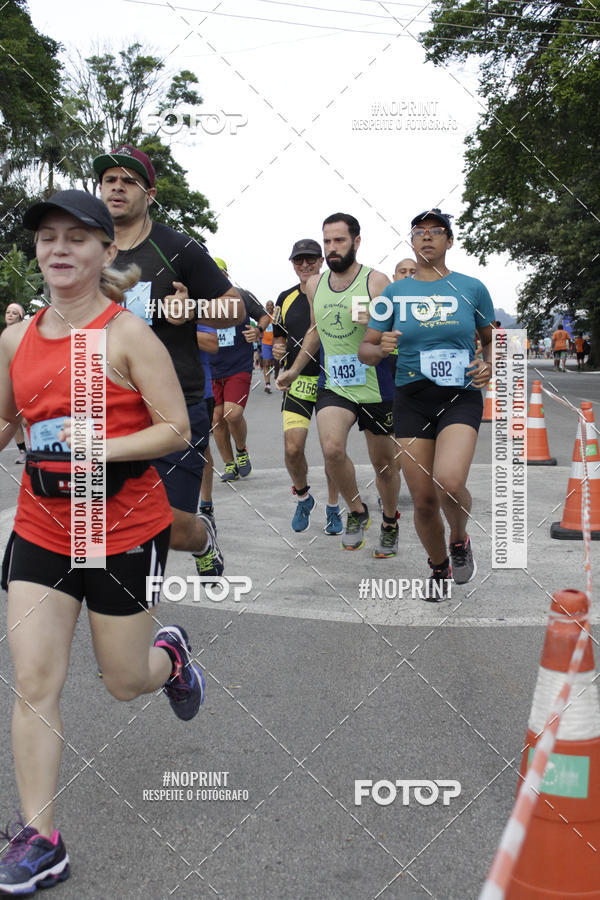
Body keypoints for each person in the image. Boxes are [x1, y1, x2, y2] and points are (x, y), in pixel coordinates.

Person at [0, 190, 205, 896]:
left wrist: (99, 445)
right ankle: (40, 839)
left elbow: (175, 429)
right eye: (47, 238)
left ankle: (168, 658)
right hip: (40, 527)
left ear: (105, 252)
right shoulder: (13, 339)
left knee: (123, 682)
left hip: (118, 527)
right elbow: (7, 422)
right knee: (33, 681)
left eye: (76, 239)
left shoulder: (127, 335)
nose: (59, 249)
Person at [94, 145, 243, 579]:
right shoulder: (88, 248)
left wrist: (194, 308)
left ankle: (201, 536)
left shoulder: (178, 247)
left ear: (150, 193)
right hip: (106, 406)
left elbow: (235, 308)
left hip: (174, 405)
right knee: (108, 521)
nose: (117, 186)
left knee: (170, 524)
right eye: (109, 179)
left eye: (129, 180)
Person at [358, 208, 494, 596]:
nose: (427, 237)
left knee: (449, 483)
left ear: (449, 241)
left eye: (437, 232)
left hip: (460, 395)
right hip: (412, 398)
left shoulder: (472, 288)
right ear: (412, 242)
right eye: (419, 232)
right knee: (423, 499)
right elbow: (365, 348)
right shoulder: (395, 294)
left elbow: (491, 339)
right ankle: (438, 567)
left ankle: (460, 540)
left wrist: (488, 364)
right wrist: (378, 347)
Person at [276, 214, 400, 557]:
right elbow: (315, 332)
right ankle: (357, 511)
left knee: (385, 466)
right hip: (337, 384)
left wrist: (377, 329)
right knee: (331, 449)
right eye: (327, 241)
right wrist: (295, 370)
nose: (332, 248)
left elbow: (392, 333)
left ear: (356, 242)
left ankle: (390, 521)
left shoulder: (377, 282)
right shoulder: (316, 285)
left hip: (376, 384)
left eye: (339, 241)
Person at [273, 238, 342, 534]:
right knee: (292, 449)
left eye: (311, 259)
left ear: (322, 261)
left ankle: (333, 507)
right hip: (298, 381)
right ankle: (303, 497)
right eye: (298, 260)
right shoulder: (285, 297)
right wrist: (278, 348)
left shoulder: (335, 291)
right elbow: (278, 335)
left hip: (331, 380)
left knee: (332, 451)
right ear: (291, 263)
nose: (305, 265)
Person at [208, 258, 268, 481]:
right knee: (216, 418)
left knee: (232, 414)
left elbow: (264, 315)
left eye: (219, 272)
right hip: (212, 367)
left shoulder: (241, 295)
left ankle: (241, 451)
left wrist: (259, 330)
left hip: (238, 365)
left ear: (226, 274)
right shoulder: (200, 300)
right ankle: (229, 464)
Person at [196, 323, 219, 520]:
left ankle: (206, 505)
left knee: (201, 449)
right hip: (151, 388)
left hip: (198, 391)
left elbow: (212, 343)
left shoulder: (194, 301)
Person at [3, 303, 27, 463]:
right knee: (13, 418)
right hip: (8, 381)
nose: (10, 315)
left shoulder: (25, 333)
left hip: (24, 379)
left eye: (14, 313)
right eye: (8, 312)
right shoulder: (3, 336)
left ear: (20, 317)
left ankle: (44, 448)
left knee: (26, 418)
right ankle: (23, 452)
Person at [261, 301, 279, 393]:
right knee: (266, 363)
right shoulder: (262, 316)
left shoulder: (276, 316)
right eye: (268, 305)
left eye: (271, 305)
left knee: (276, 363)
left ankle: (276, 376)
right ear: (266, 306)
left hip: (275, 342)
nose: (270, 306)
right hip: (265, 343)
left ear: (273, 307)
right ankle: (267, 384)